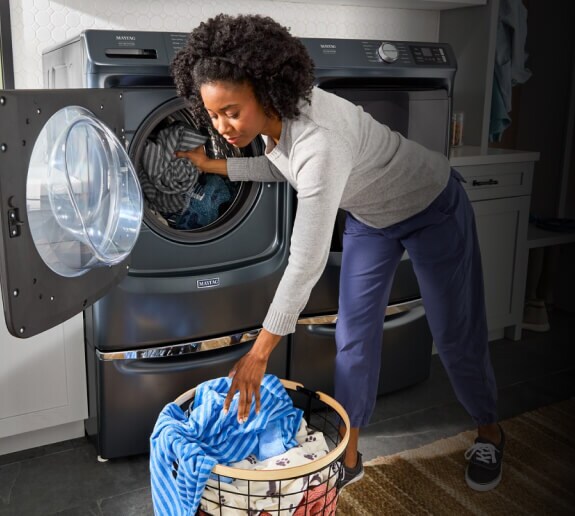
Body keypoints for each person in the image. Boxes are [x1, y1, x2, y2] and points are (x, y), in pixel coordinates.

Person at [170, 14, 505, 492]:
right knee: (352, 338)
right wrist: (217, 166)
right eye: (213, 113)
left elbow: (305, 261)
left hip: (431, 205)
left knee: (454, 333)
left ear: (266, 91)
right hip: (372, 216)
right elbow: (283, 168)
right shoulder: (276, 124)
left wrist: (258, 354)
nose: (223, 125)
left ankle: (490, 429)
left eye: (232, 111)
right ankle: (350, 456)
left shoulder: (320, 140)